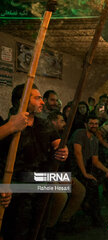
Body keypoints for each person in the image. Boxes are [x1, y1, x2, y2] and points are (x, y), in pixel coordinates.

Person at [0, 83, 68, 240]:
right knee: (19, 229)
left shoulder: (43, 124)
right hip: (17, 184)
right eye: (37, 98)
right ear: (22, 100)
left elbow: (58, 144)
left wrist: (64, 151)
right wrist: (11, 126)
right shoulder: (7, 124)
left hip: (40, 180)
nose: (42, 102)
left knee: (40, 224)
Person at [69, 115, 108, 226]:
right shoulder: (80, 133)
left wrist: (106, 170)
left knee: (102, 180)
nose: (94, 126)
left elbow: (95, 161)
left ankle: (95, 215)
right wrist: (85, 173)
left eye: (96, 124)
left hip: (84, 169)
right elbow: (77, 153)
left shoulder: (94, 140)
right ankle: (95, 217)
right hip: (72, 169)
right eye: (91, 123)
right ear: (86, 124)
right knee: (91, 185)